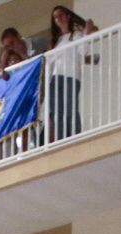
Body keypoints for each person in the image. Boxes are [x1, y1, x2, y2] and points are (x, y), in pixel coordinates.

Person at [46, 6, 97, 141]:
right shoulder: (55, 41)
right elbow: (49, 63)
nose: (58, 19)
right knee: (58, 112)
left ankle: (74, 137)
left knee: (70, 110)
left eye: (60, 15)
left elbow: (82, 51)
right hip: (56, 78)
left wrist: (86, 32)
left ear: (68, 16)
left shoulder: (76, 35)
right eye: (55, 17)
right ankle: (60, 139)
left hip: (71, 76)